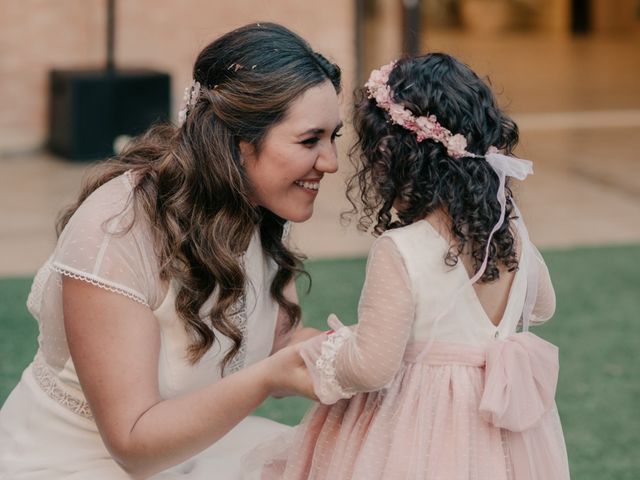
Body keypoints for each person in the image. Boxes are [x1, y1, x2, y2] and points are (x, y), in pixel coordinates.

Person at [0, 22, 343, 479]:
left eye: (333, 136)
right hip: (78, 462)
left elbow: (277, 343)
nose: (331, 162)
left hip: (195, 449)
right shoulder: (117, 231)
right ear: (238, 144)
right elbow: (133, 444)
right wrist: (268, 378)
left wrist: (353, 353)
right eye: (309, 140)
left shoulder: (255, 206)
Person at [244, 53, 571, 479]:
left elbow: (372, 366)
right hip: (498, 435)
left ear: (393, 158)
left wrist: (326, 350)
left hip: (420, 433)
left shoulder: (402, 248)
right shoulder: (509, 232)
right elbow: (541, 307)